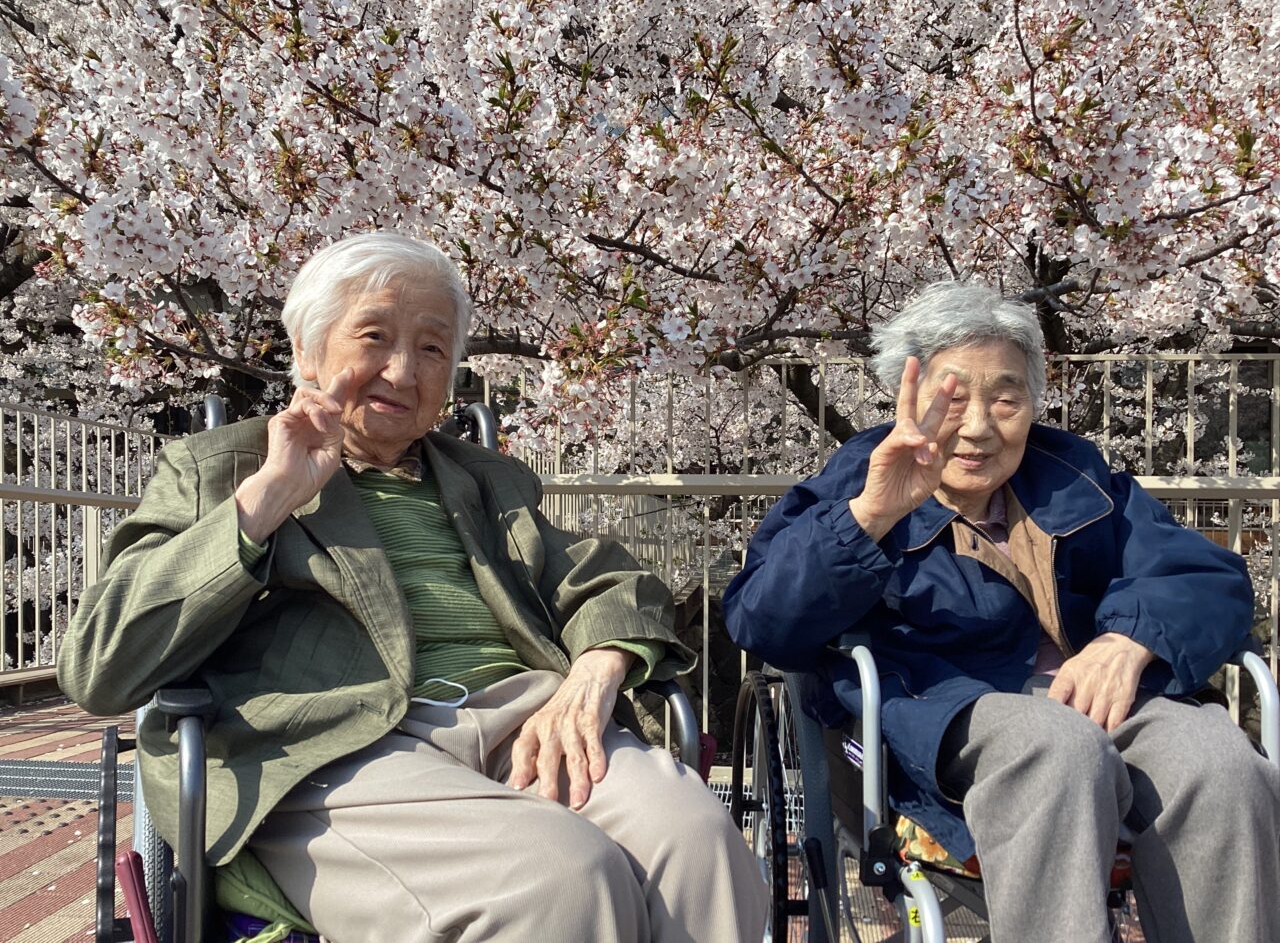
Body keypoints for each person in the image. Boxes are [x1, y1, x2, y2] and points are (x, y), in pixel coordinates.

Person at [59, 232, 767, 943]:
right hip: (337, 746)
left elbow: (606, 579)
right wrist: (267, 499)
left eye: (431, 348)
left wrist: (597, 668)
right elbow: (101, 665)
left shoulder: (485, 479)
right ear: (307, 350)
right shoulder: (219, 469)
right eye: (374, 337)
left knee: (696, 841)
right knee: (558, 877)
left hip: (523, 722)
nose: (402, 372)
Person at [723, 281, 1280, 943]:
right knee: (1057, 749)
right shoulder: (857, 481)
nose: (980, 427)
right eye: (952, 399)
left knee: (1219, 762)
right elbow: (761, 620)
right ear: (905, 394)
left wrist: (1129, 642)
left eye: (1006, 399)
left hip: (1098, 700)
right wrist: (870, 517)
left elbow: (1201, 573)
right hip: (941, 710)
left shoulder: (1071, 475)